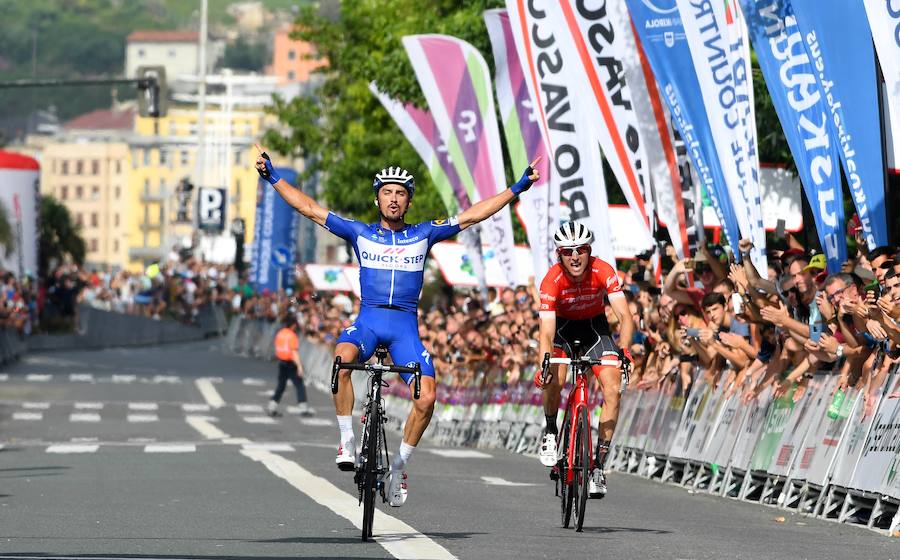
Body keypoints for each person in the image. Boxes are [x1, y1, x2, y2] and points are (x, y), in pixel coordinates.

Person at [256, 145, 540, 507]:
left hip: (405, 330)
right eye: (387, 192)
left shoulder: (424, 233)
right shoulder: (359, 232)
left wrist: (517, 188)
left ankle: (399, 467)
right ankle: (347, 439)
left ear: (408, 202)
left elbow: (472, 216)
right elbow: (309, 208)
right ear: (377, 199)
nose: (393, 198)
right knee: (342, 360)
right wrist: (273, 177)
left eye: (401, 193)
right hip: (368, 322)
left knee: (428, 398)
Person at [535, 222, 634, 498]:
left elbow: (625, 316)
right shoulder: (552, 280)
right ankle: (551, 431)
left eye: (581, 250)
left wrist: (625, 351)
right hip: (562, 330)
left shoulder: (603, 270)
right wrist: (544, 363)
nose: (575, 256)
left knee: (613, 389)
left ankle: (598, 467)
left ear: (590, 250)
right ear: (559, 255)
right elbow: (546, 332)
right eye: (568, 251)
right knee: (554, 377)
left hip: (594, 329)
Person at [269, 314, 312, 417]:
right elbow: (294, 352)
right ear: (293, 325)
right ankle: (303, 408)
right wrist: (299, 366)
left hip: (282, 362)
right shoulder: (292, 335)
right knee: (299, 385)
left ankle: (272, 406)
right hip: (290, 363)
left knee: (281, 386)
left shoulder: (280, 333)